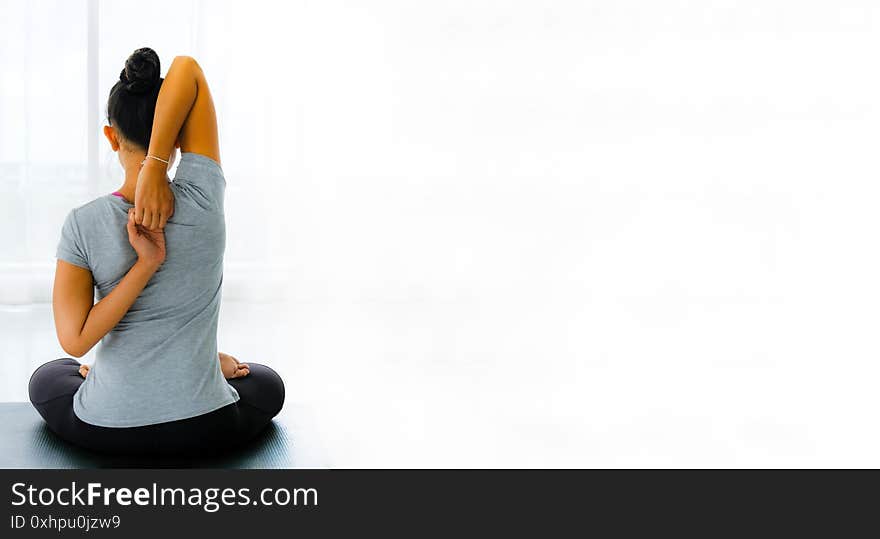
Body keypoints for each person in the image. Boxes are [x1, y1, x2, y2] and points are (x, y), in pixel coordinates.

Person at [27, 48, 284, 456]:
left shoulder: (83, 222)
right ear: (179, 134)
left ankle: (135, 372)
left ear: (111, 136)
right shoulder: (203, 196)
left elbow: (74, 342)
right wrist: (156, 165)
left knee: (49, 376)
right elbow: (187, 67)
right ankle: (204, 362)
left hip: (109, 425)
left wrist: (145, 264)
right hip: (208, 423)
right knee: (266, 382)